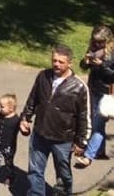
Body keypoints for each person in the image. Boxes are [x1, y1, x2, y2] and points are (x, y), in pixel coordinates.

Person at [19, 44, 90, 196]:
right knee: (35, 171)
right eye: (54, 60)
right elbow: (33, 99)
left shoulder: (79, 87)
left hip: (63, 139)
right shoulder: (43, 76)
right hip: (40, 133)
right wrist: (25, 118)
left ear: (70, 63)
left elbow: (84, 116)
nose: (56, 64)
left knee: (63, 175)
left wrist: (81, 141)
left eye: (61, 62)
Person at [75, 24, 114, 167]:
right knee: (94, 121)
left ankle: (88, 156)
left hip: (107, 93)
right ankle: (99, 151)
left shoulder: (112, 53)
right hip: (93, 89)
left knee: (98, 123)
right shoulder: (93, 49)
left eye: (100, 42)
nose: (97, 44)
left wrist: (103, 65)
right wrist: (85, 62)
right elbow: (84, 66)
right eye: (95, 41)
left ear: (108, 40)